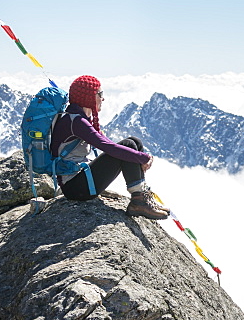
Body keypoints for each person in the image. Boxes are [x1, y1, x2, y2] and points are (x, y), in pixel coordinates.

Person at [49, 75, 170, 219]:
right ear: (88, 97)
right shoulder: (76, 121)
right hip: (75, 188)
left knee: (134, 142)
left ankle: (141, 197)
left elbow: (107, 144)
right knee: (129, 145)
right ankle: (138, 201)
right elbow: (108, 147)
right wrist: (143, 158)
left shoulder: (76, 118)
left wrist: (139, 156)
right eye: (100, 94)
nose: (103, 98)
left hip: (77, 183)